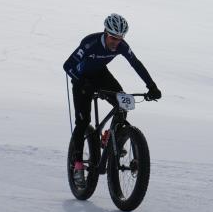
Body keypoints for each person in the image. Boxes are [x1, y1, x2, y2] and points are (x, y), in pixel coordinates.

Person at [63, 13, 162, 187]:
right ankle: (78, 165)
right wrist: (82, 82)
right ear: (105, 32)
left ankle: (111, 137)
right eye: (112, 38)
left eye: (119, 38)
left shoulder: (122, 46)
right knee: (83, 121)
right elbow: (68, 66)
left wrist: (151, 86)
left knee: (122, 102)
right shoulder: (90, 43)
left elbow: (135, 63)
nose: (115, 42)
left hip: (101, 75)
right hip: (81, 78)